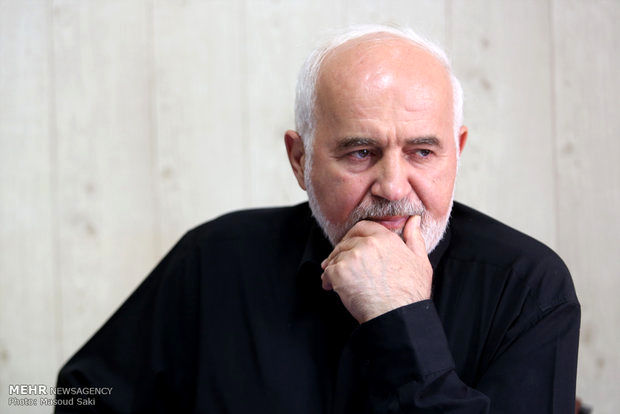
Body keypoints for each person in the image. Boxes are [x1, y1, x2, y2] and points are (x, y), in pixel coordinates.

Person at [56, 25, 580, 413]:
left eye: (422, 152)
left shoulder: (527, 288)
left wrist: (401, 318)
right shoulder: (215, 259)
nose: (394, 187)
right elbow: (83, 394)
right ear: (299, 159)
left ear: (457, 152)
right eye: (360, 153)